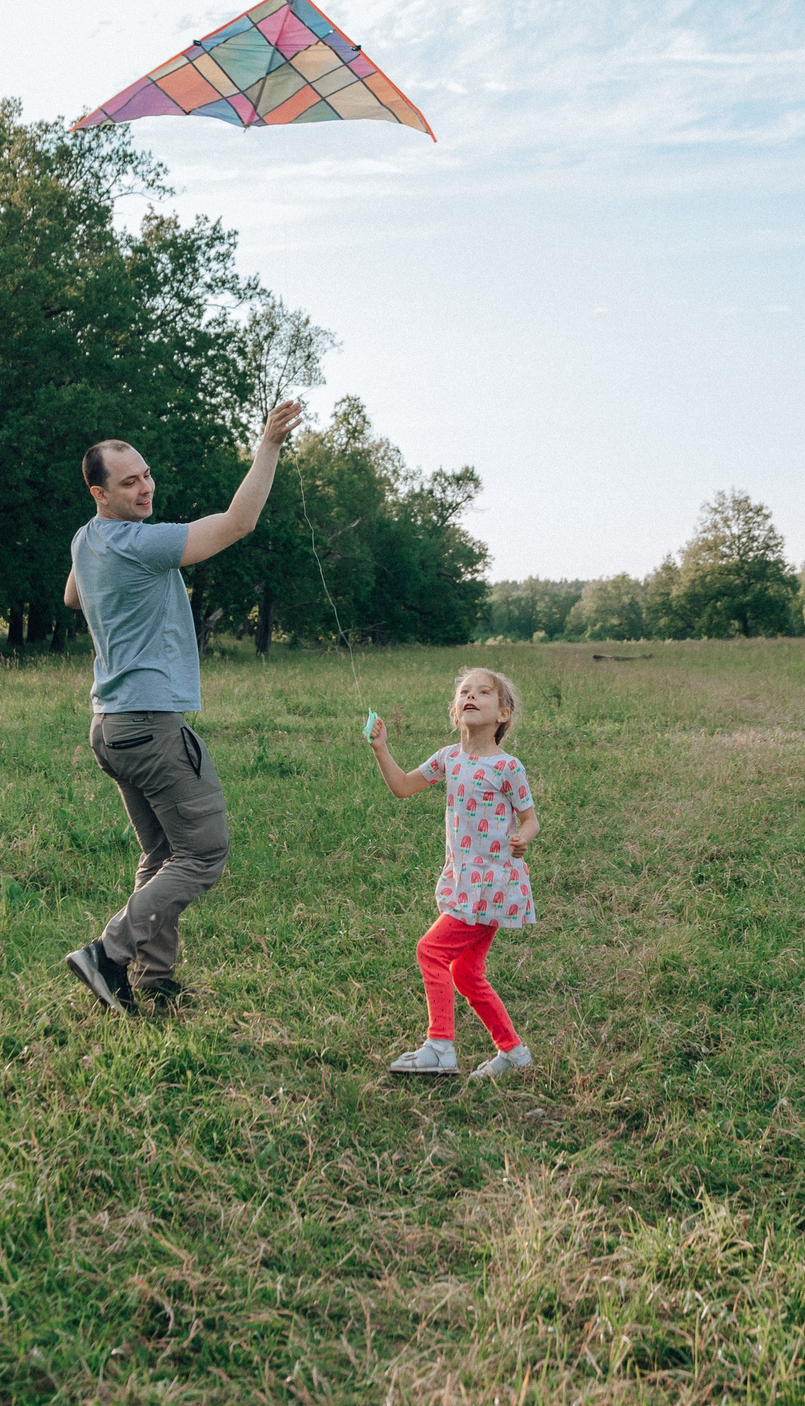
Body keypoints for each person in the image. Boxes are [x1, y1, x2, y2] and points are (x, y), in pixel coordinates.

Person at [62, 400, 304, 1016]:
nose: (144, 488)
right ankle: (107, 954)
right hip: (147, 724)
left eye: (145, 475)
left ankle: (153, 978)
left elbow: (71, 596)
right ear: (100, 492)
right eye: (128, 482)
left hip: (110, 727)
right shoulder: (141, 544)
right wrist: (268, 446)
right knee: (204, 853)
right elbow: (239, 522)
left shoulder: (86, 540)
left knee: (163, 854)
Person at [364, 667, 537, 1078]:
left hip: (492, 886)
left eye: (484, 692)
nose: (471, 696)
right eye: (464, 692)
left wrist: (523, 837)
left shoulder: (507, 767)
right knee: (465, 972)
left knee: (431, 951)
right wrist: (380, 749)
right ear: (455, 712)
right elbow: (403, 786)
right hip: (464, 884)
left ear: (503, 714)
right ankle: (513, 1053)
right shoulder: (449, 758)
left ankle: (440, 1045)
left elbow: (530, 818)